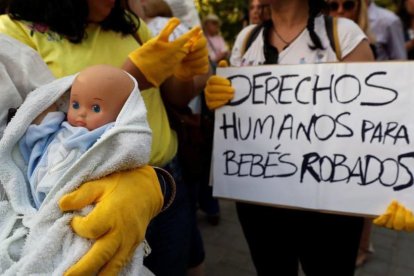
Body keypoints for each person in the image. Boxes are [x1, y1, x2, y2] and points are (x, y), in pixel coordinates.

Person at [0, 0, 209, 275]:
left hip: (165, 182)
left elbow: (176, 96)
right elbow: (34, 117)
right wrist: (131, 77)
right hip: (92, 203)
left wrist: (185, 74)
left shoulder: (130, 25)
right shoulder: (15, 31)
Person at [204, 0, 375, 275]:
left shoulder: (344, 35)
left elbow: (370, 125)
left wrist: (388, 194)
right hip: (258, 200)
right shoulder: (247, 39)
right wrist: (220, 104)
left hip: (328, 208)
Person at [0, 65, 154, 275]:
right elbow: (34, 141)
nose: (81, 113)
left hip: (72, 206)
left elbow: (118, 156)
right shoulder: (60, 127)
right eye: (75, 104)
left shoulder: (105, 138)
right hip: (34, 201)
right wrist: (39, 116)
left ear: (120, 117)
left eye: (96, 108)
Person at [327, 0, 376, 267]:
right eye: (334, 5)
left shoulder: (383, 28)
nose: (341, 11)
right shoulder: (318, 40)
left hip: (372, 126)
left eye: (349, 5)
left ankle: (363, 245)